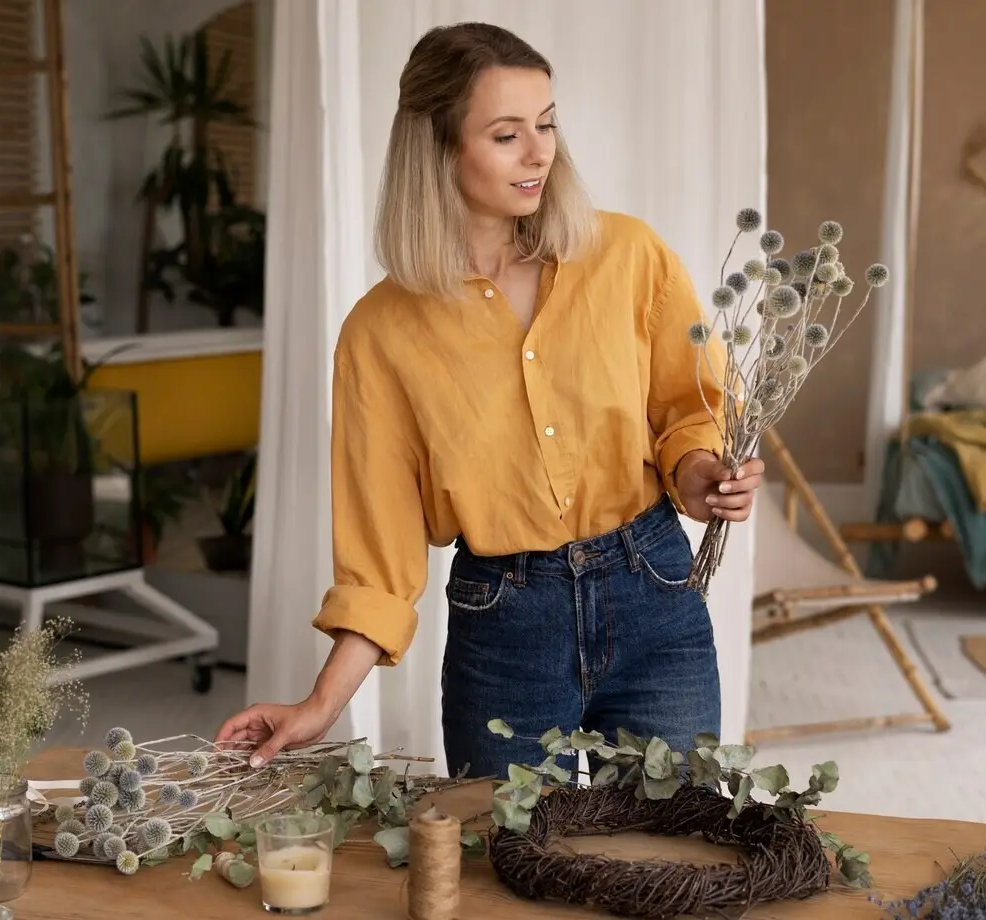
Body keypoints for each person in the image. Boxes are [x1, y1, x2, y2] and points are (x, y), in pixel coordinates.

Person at [215, 21, 764, 779]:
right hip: (505, 626)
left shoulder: (629, 257)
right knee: (510, 873)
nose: (541, 152)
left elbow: (689, 407)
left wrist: (701, 472)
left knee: (673, 858)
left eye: (546, 125)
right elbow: (379, 558)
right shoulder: (381, 334)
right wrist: (319, 706)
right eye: (508, 134)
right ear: (439, 147)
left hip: (654, 595)